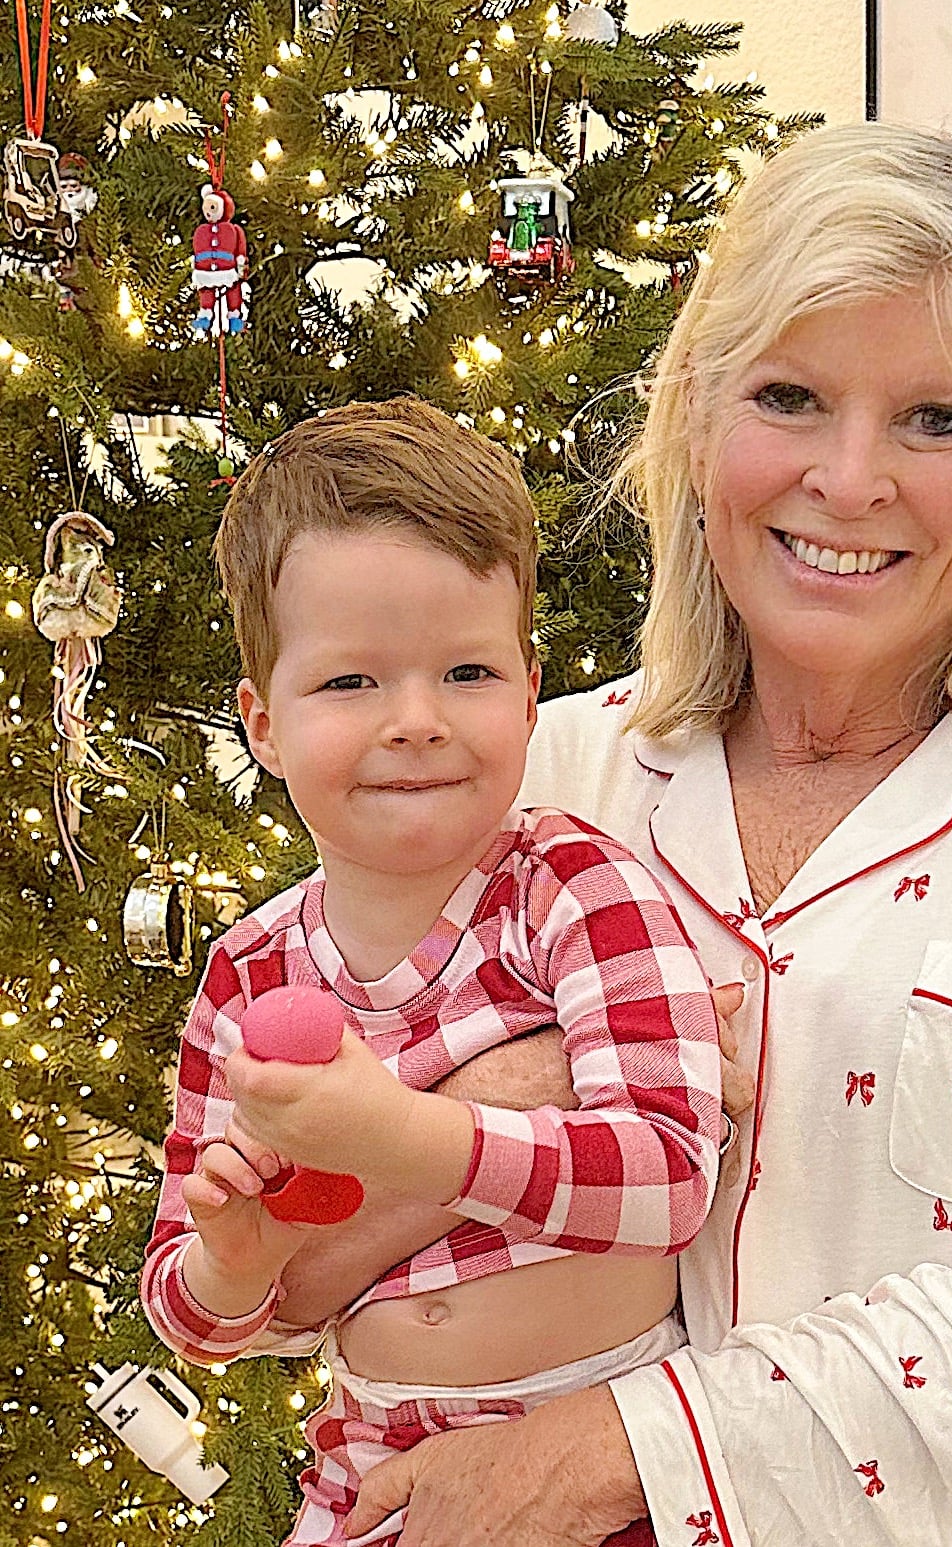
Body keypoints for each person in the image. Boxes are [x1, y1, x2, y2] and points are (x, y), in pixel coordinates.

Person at [274, 125, 952, 1547]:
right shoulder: (544, 768)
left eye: (938, 419)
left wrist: (610, 1445)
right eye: (790, 396)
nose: (849, 478)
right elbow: (279, 1265)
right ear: (696, 425)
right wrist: (538, 1073)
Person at [140, 397, 723, 1547]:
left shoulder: (570, 884)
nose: (416, 721)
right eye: (351, 683)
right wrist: (233, 1263)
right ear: (262, 721)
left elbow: (668, 1173)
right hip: (374, 1476)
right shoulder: (245, 977)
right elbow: (191, 1315)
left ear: (528, 685)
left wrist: (400, 1138)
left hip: (605, 1473)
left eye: (466, 671)